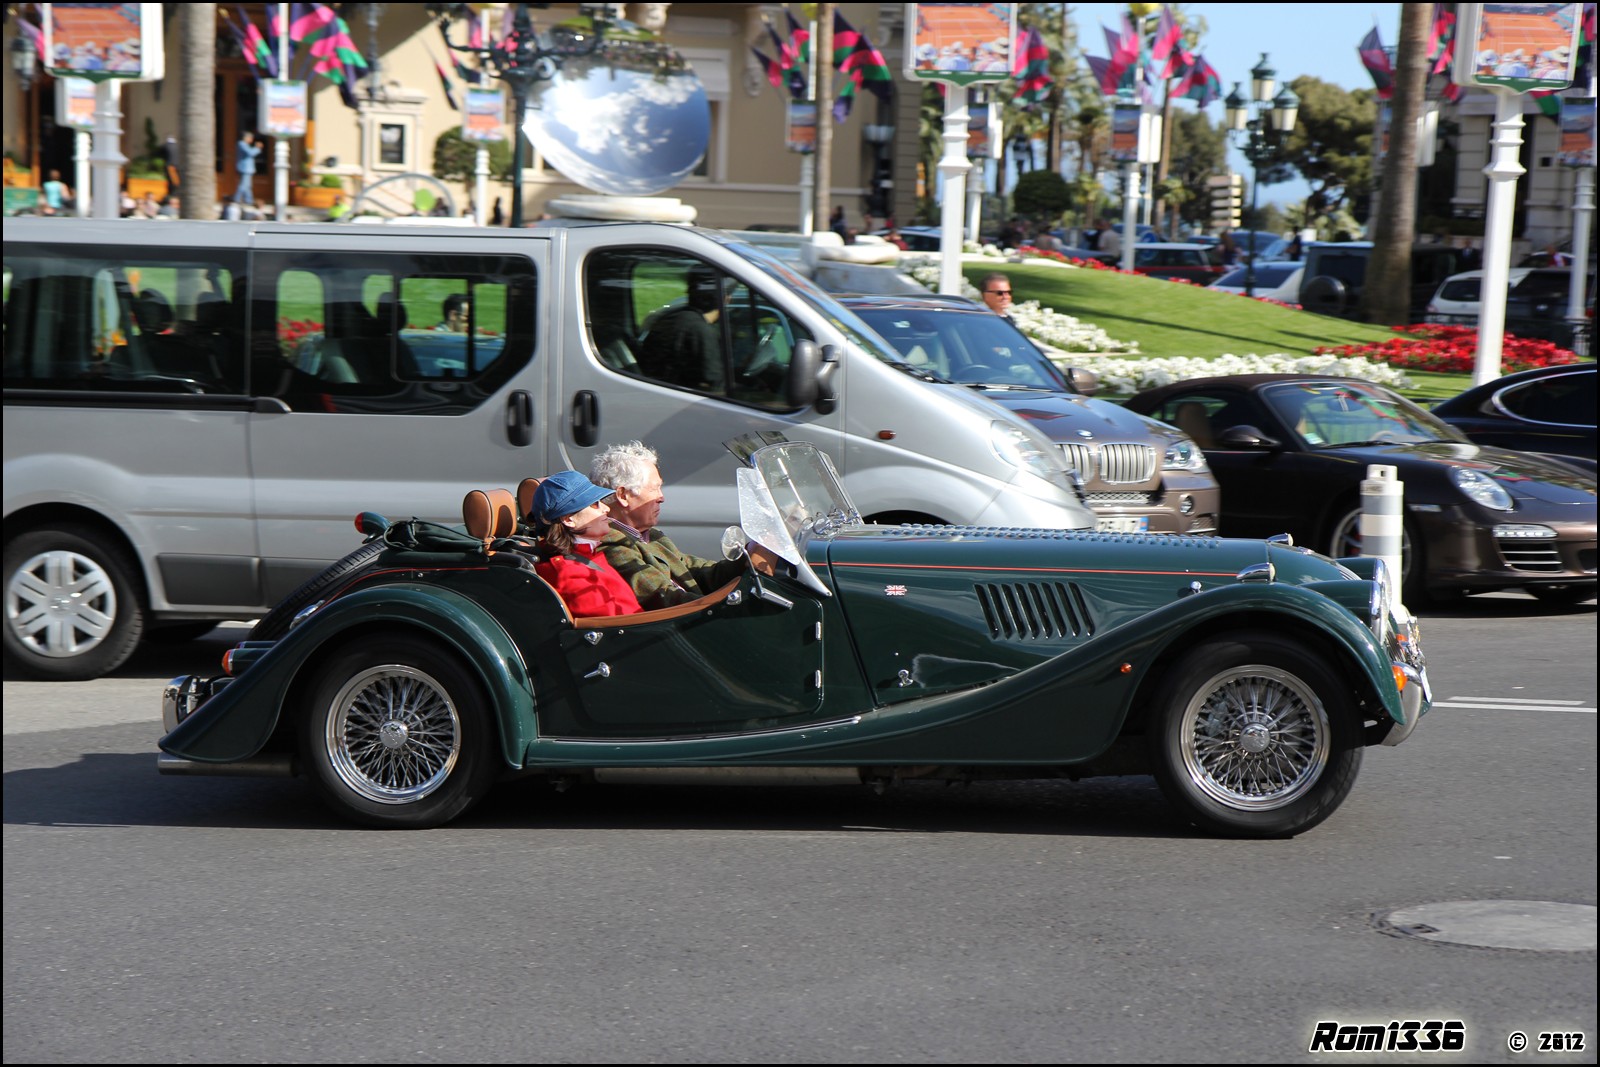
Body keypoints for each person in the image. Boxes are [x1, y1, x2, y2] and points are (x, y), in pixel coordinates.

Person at [590, 441, 773, 609]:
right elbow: (664, 598)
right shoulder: (611, 543)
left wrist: (754, 549)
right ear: (623, 496)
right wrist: (725, 608)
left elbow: (704, 574)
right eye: (654, 488)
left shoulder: (651, 536)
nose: (661, 497)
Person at [531, 470, 643, 618]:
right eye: (595, 505)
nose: (606, 509)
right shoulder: (569, 572)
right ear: (568, 519)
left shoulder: (585, 557)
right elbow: (612, 628)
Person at [638, 264, 725, 391]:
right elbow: (712, 386)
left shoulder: (670, 319)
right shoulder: (700, 331)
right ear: (726, 299)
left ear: (689, 291)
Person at [235, 131, 261, 206]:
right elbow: (250, 153)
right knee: (243, 185)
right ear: (246, 137)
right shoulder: (241, 144)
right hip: (245, 168)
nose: (251, 140)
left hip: (248, 169)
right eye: (250, 138)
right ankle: (236, 198)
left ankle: (248, 200)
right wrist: (257, 148)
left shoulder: (245, 144)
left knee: (248, 186)